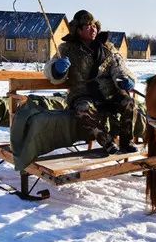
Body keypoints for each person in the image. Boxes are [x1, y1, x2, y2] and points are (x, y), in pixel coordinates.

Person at [44, 10, 138, 155]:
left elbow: (118, 67)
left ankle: (127, 142)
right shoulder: (66, 48)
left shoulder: (107, 47)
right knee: (83, 108)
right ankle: (107, 142)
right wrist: (57, 69)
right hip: (83, 93)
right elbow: (50, 71)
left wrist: (125, 79)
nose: (92, 28)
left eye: (94, 25)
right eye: (87, 25)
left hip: (108, 93)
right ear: (78, 29)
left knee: (128, 102)